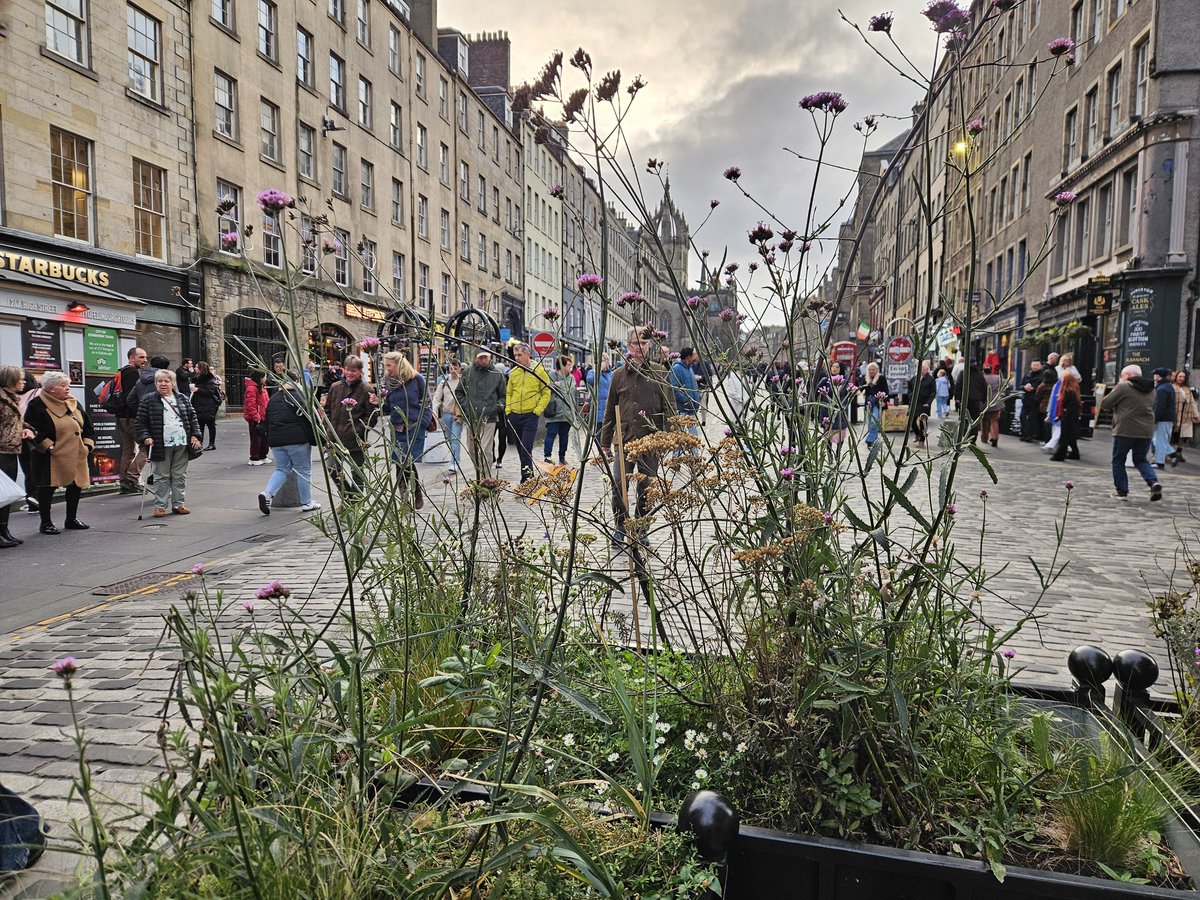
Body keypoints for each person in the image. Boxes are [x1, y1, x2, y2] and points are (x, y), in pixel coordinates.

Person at [600, 327, 676, 548]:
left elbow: (669, 408)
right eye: (636, 344)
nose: (640, 348)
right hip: (623, 440)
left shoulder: (659, 373)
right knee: (618, 486)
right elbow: (609, 411)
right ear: (628, 346)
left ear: (649, 345)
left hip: (650, 442)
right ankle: (621, 527)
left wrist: (668, 439)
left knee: (646, 488)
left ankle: (641, 529)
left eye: (644, 343)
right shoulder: (617, 376)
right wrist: (605, 442)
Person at [22, 372, 94, 534]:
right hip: (50, 456)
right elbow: (31, 428)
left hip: (76, 454)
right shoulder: (37, 404)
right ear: (50, 388)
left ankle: (71, 519)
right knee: (47, 488)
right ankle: (45, 522)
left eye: (67, 385)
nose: (67, 388)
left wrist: (87, 446)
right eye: (63, 385)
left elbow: (88, 427)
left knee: (76, 486)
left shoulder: (73, 403)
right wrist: (48, 447)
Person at [135, 369, 202, 518]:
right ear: (156, 383)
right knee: (161, 476)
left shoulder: (182, 399)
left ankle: (178, 504)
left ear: (173, 383)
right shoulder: (148, 399)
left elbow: (193, 419)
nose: (163, 384)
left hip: (181, 442)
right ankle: (160, 506)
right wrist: (145, 437)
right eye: (160, 381)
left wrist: (196, 435)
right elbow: (140, 423)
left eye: (166, 381)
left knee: (179, 475)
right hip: (159, 444)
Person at [258, 371, 320, 515]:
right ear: (296, 381)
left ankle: (267, 493)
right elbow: (311, 419)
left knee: (282, 469)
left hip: (276, 441)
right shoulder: (299, 397)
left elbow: (267, 420)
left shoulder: (273, 399)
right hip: (297, 440)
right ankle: (306, 502)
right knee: (303, 470)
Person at [1099, 364, 1161, 501]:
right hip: (1146, 430)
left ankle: (1122, 491)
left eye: (1122, 375)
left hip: (1125, 429)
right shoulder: (1152, 389)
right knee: (1141, 460)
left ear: (1127, 375)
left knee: (1118, 460)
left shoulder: (1124, 386)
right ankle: (1153, 482)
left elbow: (1105, 404)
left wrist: (1118, 388)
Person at [324, 355, 379, 499]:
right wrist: (328, 429)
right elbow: (328, 410)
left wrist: (359, 430)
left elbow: (372, 416)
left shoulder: (366, 389)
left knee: (357, 473)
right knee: (332, 467)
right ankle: (347, 497)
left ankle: (356, 503)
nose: (349, 373)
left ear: (360, 371)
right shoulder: (335, 387)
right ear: (343, 369)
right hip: (335, 438)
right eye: (347, 369)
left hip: (356, 439)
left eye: (353, 370)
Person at [381, 351, 429, 509]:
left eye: (389, 365)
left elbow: (426, 402)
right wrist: (378, 402)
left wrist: (423, 422)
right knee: (398, 463)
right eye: (385, 365)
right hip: (397, 428)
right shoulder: (389, 383)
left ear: (399, 365)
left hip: (414, 427)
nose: (387, 369)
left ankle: (416, 492)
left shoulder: (416, 380)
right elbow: (388, 407)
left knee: (407, 461)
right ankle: (404, 499)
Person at [455, 348, 506, 480]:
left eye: (485, 358)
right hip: (472, 417)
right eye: (480, 358)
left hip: (489, 417)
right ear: (476, 358)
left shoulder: (497, 373)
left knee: (485, 450)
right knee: (472, 450)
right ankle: (479, 473)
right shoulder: (468, 372)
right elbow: (459, 392)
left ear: (490, 358)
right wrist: (467, 407)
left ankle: (486, 478)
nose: (483, 360)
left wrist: (497, 407)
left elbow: (503, 396)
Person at [0, 366, 35, 548]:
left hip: (11, 450)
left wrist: (28, 429)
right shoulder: (2, 400)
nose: (24, 382)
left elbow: (17, 422)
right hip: (2, 451)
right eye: (20, 379)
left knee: (6, 494)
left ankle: (4, 530)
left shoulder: (11, 398)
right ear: (10, 380)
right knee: (2, 494)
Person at [505, 343, 550, 482]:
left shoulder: (538, 370)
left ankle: (526, 478)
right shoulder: (513, 373)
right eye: (515, 355)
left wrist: (537, 411)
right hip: (514, 415)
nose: (516, 358)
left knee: (526, 448)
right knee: (520, 449)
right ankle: (528, 474)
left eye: (519, 355)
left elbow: (546, 392)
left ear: (528, 354)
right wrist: (508, 411)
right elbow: (509, 392)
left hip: (530, 415)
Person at [116, 346, 149, 493]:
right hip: (132, 418)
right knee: (146, 447)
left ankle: (124, 482)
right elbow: (132, 398)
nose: (144, 360)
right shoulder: (131, 373)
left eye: (145, 357)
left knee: (128, 451)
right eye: (141, 357)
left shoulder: (122, 371)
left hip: (121, 417)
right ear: (131, 358)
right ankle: (131, 478)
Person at [543, 355, 578, 466]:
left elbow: (571, 390)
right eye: (568, 365)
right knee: (551, 434)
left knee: (564, 436)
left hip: (567, 413)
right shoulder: (551, 375)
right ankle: (547, 456)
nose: (570, 367)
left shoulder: (571, 377)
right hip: (553, 412)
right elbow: (546, 387)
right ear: (561, 366)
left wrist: (559, 385)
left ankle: (562, 457)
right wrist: (555, 385)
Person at [433, 358, 464, 475]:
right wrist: (435, 411)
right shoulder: (444, 382)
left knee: (455, 438)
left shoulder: (462, 382)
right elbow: (437, 397)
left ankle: (455, 462)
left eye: (455, 368)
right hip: (446, 414)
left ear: (460, 369)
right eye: (451, 368)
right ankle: (455, 457)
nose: (453, 371)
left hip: (457, 415)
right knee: (450, 439)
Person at [669, 347, 702, 438]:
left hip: (692, 408)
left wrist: (697, 397)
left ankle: (695, 452)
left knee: (693, 435)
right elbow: (674, 389)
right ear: (688, 357)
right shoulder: (677, 368)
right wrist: (687, 400)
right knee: (680, 435)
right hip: (683, 408)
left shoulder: (689, 368)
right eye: (694, 355)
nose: (696, 358)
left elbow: (693, 385)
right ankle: (679, 452)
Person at [190, 361, 223, 450]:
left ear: (201, 369)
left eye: (197, 367)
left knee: (210, 424)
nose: (195, 368)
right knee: (200, 424)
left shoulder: (209, 379)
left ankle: (212, 443)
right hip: (199, 403)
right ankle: (200, 442)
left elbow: (210, 392)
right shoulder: (197, 378)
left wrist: (198, 390)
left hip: (208, 404)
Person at [1050, 372, 1083, 462]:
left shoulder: (1068, 391)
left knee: (1064, 437)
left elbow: (1067, 406)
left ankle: (1060, 455)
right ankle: (1075, 453)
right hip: (1072, 416)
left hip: (1068, 417)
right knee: (1070, 437)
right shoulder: (1074, 390)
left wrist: (1061, 415)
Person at [953, 362, 988, 442]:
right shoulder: (979, 375)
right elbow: (985, 387)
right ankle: (972, 438)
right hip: (976, 400)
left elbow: (958, 385)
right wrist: (983, 399)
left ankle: (965, 435)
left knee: (964, 418)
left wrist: (957, 398)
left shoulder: (963, 373)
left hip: (965, 399)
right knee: (974, 419)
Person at [817, 361, 850, 446]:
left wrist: (842, 405)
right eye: (833, 367)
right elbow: (816, 391)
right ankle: (829, 454)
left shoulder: (844, 381)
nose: (834, 369)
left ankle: (837, 455)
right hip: (827, 411)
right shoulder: (825, 380)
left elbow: (846, 395)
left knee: (840, 434)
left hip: (840, 412)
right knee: (828, 434)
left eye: (837, 367)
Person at [585, 357, 613, 454]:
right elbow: (590, 381)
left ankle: (608, 449)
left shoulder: (611, 374)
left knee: (608, 429)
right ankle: (602, 451)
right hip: (597, 405)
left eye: (604, 360)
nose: (602, 363)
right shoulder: (592, 372)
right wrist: (599, 371)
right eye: (600, 360)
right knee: (598, 430)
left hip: (608, 404)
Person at [859, 362, 890, 446]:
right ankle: (874, 439)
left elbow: (886, 390)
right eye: (870, 369)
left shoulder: (881, 378)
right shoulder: (866, 378)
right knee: (869, 422)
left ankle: (870, 439)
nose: (871, 371)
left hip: (878, 402)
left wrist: (884, 400)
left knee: (874, 420)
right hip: (868, 402)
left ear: (877, 370)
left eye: (873, 369)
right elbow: (861, 388)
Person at [243, 370, 269, 465]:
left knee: (263, 437)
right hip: (256, 417)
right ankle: (254, 457)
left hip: (263, 416)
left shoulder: (261, 387)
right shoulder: (252, 388)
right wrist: (256, 416)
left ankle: (262, 455)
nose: (266, 378)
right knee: (256, 438)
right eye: (264, 376)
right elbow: (251, 404)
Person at [1152, 367, 1176, 469]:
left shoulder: (1161, 389)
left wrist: (1155, 418)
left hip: (1163, 418)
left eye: (1155, 374)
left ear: (1158, 376)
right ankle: (1160, 461)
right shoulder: (1168, 386)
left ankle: (1172, 454)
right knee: (1160, 439)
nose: (1154, 376)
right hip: (1168, 417)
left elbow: (1160, 406)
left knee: (1159, 440)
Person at [1172, 370, 1197, 465]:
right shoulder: (1172, 388)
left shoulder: (1187, 389)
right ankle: (1169, 454)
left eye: (1183, 377)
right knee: (1173, 435)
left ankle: (1179, 452)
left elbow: (1192, 403)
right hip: (1176, 414)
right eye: (1180, 376)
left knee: (1184, 436)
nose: (1182, 379)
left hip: (1186, 415)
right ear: (1176, 377)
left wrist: (1196, 415)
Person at [910, 361, 936, 447]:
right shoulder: (914, 378)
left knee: (923, 422)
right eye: (920, 368)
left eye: (924, 368)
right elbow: (909, 389)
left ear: (927, 369)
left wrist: (928, 403)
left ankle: (922, 439)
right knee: (912, 421)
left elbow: (933, 392)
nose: (922, 369)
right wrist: (910, 397)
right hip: (915, 403)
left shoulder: (930, 379)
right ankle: (917, 434)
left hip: (924, 403)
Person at [1018, 360, 1043, 442]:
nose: (1035, 366)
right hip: (1025, 399)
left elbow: (1043, 388)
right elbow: (1020, 385)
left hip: (1035, 400)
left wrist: (1034, 389)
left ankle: (1030, 435)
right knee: (1022, 417)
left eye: (1037, 365)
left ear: (1040, 366)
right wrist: (1024, 387)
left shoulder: (1042, 375)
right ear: (1031, 365)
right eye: (1034, 365)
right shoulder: (1027, 374)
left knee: (1032, 418)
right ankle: (1024, 433)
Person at [979, 364, 1003, 447]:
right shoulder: (997, 378)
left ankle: (984, 437)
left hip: (984, 401)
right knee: (994, 420)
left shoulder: (981, 378)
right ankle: (995, 437)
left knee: (984, 420)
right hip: (996, 401)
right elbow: (1006, 386)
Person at [1035, 367, 1058, 443]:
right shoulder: (1057, 385)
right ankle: (1053, 440)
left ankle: (1047, 440)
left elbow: (1038, 396)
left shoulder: (1042, 386)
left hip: (1044, 406)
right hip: (1055, 406)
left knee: (1045, 424)